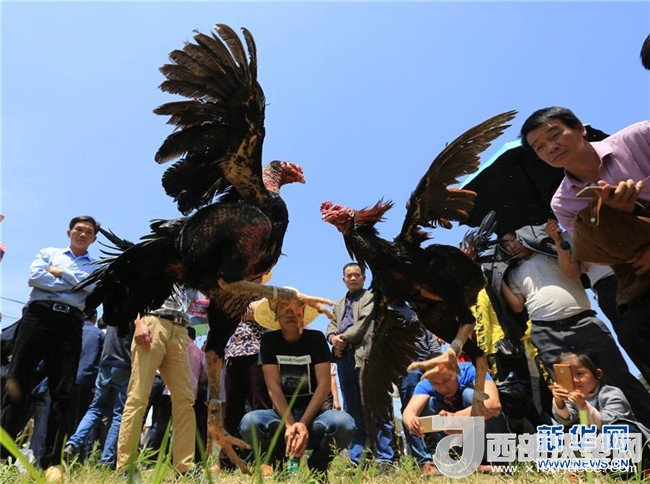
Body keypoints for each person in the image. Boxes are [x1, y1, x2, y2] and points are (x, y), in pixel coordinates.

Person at [520, 108, 650, 380]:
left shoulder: (640, 137)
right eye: (539, 147)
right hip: (636, 271)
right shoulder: (563, 203)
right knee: (635, 332)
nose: (550, 147)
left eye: (554, 135)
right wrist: (618, 215)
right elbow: (600, 253)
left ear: (580, 128)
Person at [499, 226, 650, 428]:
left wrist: (556, 240)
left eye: (514, 239)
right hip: (545, 331)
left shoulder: (553, 251)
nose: (512, 246)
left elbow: (574, 272)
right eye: (506, 244)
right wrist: (497, 277)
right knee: (568, 388)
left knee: (618, 375)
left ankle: (646, 427)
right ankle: (591, 440)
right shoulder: (513, 273)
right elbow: (517, 306)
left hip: (583, 321)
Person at [0, 215, 99, 469]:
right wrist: (74, 283)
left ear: (94, 239)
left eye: (88, 232)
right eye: (78, 229)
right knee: (18, 383)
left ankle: (51, 462)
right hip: (38, 318)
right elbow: (35, 278)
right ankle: (2, 454)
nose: (82, 234)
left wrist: (60, 272)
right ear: (69, 232)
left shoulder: (95, 267)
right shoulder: (48, 252)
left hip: (70, 324)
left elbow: (90, 288)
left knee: (63, 391)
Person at [239, 293, 355, 477]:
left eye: (295, 307)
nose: (290, 312)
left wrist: (302, 424)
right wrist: (291, 424)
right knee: (249, 422)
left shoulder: (316, 339)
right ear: (275, 313)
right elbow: (273, 387)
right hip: (281, 417)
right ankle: (277, 461)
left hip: (315, 417)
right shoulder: (269, 341)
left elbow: (324, 384)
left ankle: (318, 466)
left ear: (303, 311)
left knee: (345, 423)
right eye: (283, 306)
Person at [115, 287, 197, 474]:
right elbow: (132, 290)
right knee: (138, 397)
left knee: (185, 400)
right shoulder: (154, 265)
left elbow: (193, 299)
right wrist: (138, 322)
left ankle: (184, 467)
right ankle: (126, 466)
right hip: (153, 321)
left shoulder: (189, 275)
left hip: (180, 329)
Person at [326, 262, 396, 466]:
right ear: (343, 279)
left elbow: (362, 325)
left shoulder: (370, 297)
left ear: (364, 278)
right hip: (344, 359)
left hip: (366, 356)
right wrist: (332, 339)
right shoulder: (339, 304)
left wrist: (342, 339)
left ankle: (385, 457)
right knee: (352, 408)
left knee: (376, 406)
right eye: (349, 275)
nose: (353, 278)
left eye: (357, 274)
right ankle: (358, 459)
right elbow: (330, 326)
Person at [552, 352, 650, 471]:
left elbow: (611, 422)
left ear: (597, 374)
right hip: (596, 452)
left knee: (621, 430)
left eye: (579, 374)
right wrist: (559, 402)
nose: (574, 380)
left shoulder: (611, 393)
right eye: (568, 376)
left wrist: (583, 406)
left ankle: (643, 468)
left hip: (626, 447)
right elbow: (566, 419)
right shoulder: (570, 399)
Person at [401, 360, 507, 469]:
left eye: (446, 380)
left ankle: (498, 460)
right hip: (463, 441)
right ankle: (457, 459)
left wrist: (456, 418)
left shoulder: (472, 370)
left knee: (469, 395)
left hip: (488, 436)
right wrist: (412, 423)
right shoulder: (425, 384)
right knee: (430, 404)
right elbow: (408, 412)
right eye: (436, 384)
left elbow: (493, 404)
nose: (443, 388)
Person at [64, 324, 134, 468]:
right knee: (118, 415)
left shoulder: (112, 316)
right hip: (124, 365)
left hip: (105, 363)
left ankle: (73, 443)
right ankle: (106, 461)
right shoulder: (137, 316)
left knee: (95, 409)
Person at [219, 300, 272, 468]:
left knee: (261, 407)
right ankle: (226, 462)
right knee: (231, 411)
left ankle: (266, 461)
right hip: (233, 354)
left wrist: (242, 309)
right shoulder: (232, 295)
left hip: (258, 353)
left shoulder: (264, 295)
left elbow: (259, 312)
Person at [70, 309, 105, 433]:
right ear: (94, 317)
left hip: (67, 378)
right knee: (81, 417)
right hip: (86, 380)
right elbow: (102, 360)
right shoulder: (99, 334)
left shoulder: (73, 330)